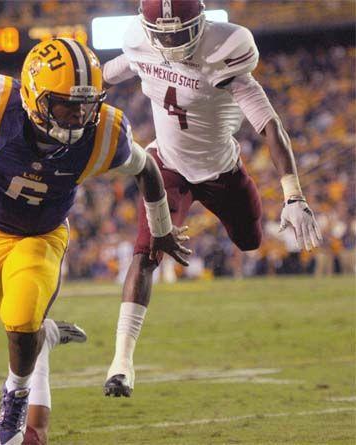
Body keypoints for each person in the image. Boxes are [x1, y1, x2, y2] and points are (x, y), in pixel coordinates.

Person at [0, 38, 190, 444]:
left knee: (22, 317)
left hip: (40, 235)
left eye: (87, 104)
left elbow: (147, 169)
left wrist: (161, 228)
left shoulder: (105, 133)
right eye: (66, 105)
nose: (78, 115)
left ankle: (16, 395)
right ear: (35, 98)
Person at [101, 0, 322, 397]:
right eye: (161, 33)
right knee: (145, 251)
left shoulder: (224, 55)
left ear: (200, 24)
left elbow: (271, 126)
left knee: (251, 240)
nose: (169, 40)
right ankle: (121, 363)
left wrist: (293, 195)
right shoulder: (139, 46)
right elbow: (109, 72)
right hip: (166, 165)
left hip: (222, 170)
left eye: (178, 31)